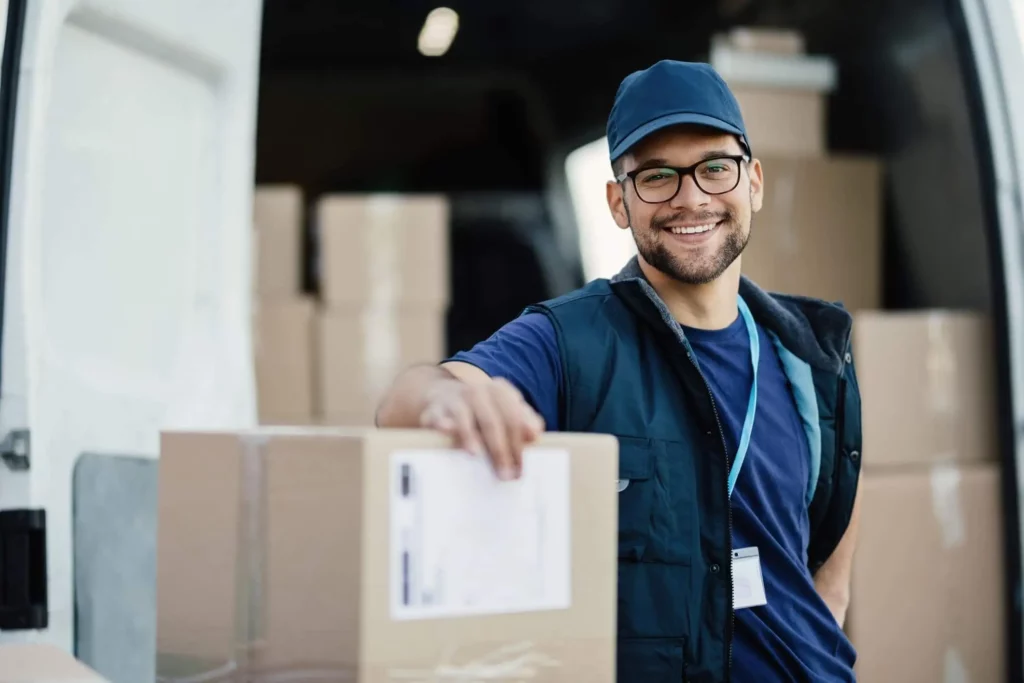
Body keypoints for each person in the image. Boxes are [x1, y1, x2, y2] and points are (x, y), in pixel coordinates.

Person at [376, 59, 862, 683]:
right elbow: (406, 400)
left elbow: (830, 580)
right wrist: (443, 401)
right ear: (617, 202)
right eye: (657, 176)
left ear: (754, 183)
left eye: (715, 168)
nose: (692, 197)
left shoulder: (815, 356)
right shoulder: (568, 340)